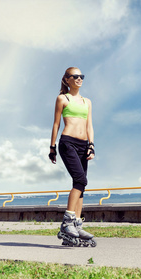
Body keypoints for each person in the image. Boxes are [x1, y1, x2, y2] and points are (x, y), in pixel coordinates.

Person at [49, 67, 95, 244]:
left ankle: (76, 225)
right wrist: (52, 147)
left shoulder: (87, 101)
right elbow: (56, 124)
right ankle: (67, 222)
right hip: (68, 143)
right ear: (67, 80)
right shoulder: (63, 98)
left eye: (81, 76)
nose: (79, 79)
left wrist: (91, 145)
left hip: (84, 145)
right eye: (75, 76)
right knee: (81, 180)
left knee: (80, 185)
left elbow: (90, 124)